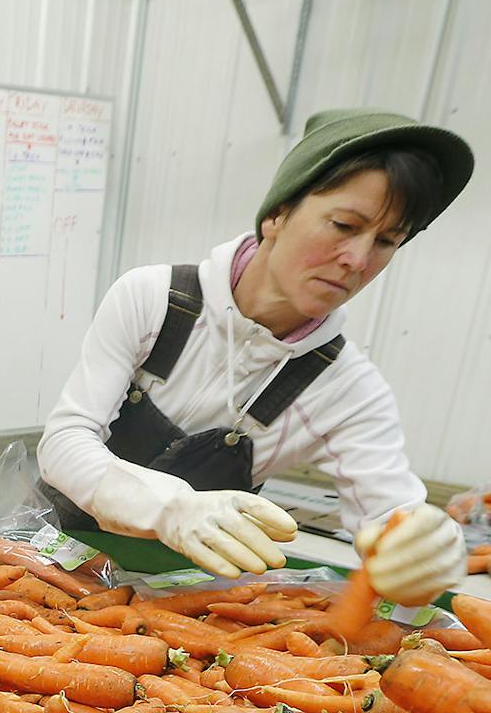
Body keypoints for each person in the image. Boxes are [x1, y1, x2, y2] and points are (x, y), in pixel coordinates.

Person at [38, 108, 474, 606]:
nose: (357, 260)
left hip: (185, 603)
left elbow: (391, 517)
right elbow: (65, 442)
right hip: (50, 561)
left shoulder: (348, 389)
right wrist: (170, 509)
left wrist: (424, 549)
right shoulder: (156, 301)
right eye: (343, 225)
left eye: (386, 242)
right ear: (277, 215)